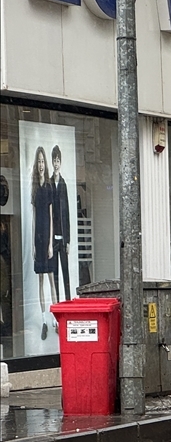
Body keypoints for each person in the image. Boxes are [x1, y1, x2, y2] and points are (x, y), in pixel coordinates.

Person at [31, 146, 57, 340]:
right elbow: (33, 217)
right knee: (40, 279)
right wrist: (33, 244)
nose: (41, 165)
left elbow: (50, 216)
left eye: (42, 161)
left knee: (51, 279)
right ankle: (44, 321)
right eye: (38, 161)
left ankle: (55, 319)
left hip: (46, 237)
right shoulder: (34, 188)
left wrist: (49, 243)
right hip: (37, 238)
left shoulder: (48, 187)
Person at [50, 145, 72, 301]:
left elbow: (67, 214)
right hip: (53, 239)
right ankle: (57, 302)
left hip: (63, 238)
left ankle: (68, 301)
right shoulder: (49, 183)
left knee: (65, 273)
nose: (56, 163)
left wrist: (68, 240)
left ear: (60, 162)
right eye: (54, 160)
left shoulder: (63, 184)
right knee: (55, 275)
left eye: (58, 160)